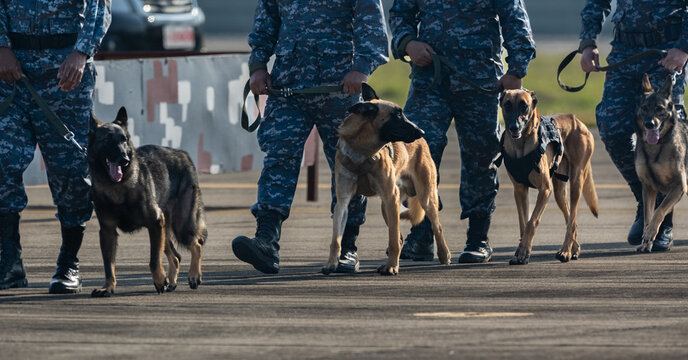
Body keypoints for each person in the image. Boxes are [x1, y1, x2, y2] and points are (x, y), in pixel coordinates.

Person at [232, 0, 388, 274]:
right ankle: (267, 242)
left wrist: (362, 68)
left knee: (349, 166)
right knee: (279, 157)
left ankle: (346, 247)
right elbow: (267, 18)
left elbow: (371, 24)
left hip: (339, 87)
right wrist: (258, 64)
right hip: (289, 87)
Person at [389, 0, 536, 263]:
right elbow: (401, 12)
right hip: (430, 79)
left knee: (481, 157)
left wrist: (516, 69)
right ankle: (421, 235)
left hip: (480, 80)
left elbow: (514, 17)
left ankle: (478, 238)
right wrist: (408, 43)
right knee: (414, 153)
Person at [0, 0, 111, 292]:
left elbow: (99, 8)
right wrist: (1, 47)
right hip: (13, 74)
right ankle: (10, 263)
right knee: (2, 161)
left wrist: (82, 52)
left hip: (65, 74)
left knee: (70, 172)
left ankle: (68, 264)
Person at [579, 0, 688, 251]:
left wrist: (684, 47)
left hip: (666, 52)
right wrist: (587, 42)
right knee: (612, 126)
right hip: (625, 51)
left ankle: (663, 220)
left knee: (667, 137)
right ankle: (645, 199)